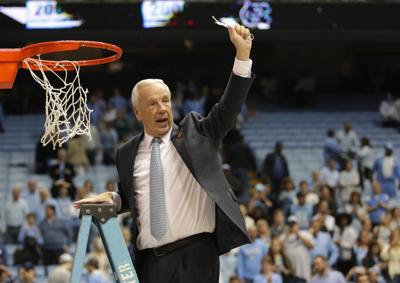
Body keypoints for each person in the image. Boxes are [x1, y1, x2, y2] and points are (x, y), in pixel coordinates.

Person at [74, 24, 254, 283]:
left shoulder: (197, 133)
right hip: (152, 264)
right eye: (153, 103)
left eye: (166, 100)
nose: (162, 108)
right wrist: (113, 201)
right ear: (138, 113)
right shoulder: (126, 153)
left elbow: (229, 108)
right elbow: (133, 198)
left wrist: (242, 56)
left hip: (198, 256)